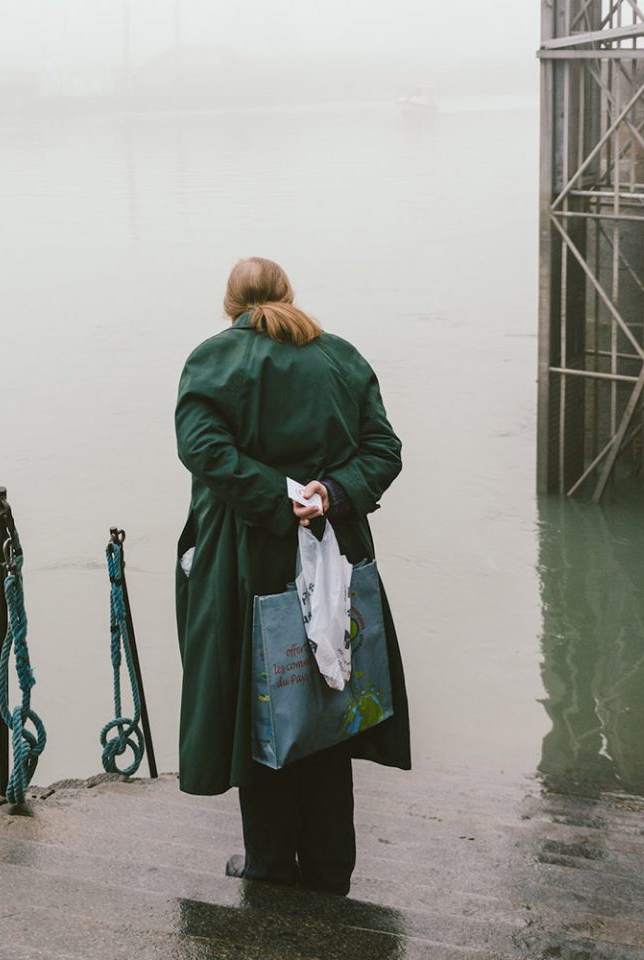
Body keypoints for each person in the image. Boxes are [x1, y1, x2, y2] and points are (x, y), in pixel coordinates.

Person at [173, 256, 410, 896]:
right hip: (337, 551)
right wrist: (327, 493)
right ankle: (331, 867)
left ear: (232, 305)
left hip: (253, 557)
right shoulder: (341, 357)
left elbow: (202, 448)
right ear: (287, 295)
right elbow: (383, 450)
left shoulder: (214, 360)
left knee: (266, 697)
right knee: (329, 698)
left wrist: (278, 496)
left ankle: (271, 863)